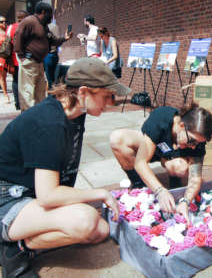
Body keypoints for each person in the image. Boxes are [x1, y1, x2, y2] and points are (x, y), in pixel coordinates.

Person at [0, 57, 131, 278]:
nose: (111, 102)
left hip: (29, 194)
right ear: (83, 92)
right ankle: (16, 248)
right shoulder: (49, 123)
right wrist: (99, 193)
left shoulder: (75, 114)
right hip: (7, 197)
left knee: (100, 231)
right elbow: (48, 196)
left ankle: (24, 236)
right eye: (107, 95)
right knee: (85, 220)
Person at [110, 104, 212, 222]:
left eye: (198, 143)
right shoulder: (161, 117)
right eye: (192, 141)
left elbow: (195, 178)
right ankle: (139, 183)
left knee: (179, 166)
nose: (194, 147)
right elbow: (140, 162)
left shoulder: (197, 141)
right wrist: (160, 191)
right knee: (117, 139)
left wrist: (185, 201)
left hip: (174, 156)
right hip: (155, 148)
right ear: (181, 125)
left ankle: (174, 179)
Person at [14, 1, 72, 111]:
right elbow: (18, 38)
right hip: (29, 62)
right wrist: (22, 57)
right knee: (28, 92)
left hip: (39, 62)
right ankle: (28, 117)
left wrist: (65, 38)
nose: (51, 17)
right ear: (43, 12)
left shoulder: (44, 26)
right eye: (50, 14)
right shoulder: (29, 22)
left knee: (40, 91)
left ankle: (39, 113)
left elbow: (52, 40)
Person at [6, 10, 29, 110]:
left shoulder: (11, 27)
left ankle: (17, 103)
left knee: (16, 81)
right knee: (27, 82)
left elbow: (7, 43)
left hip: (14, 59)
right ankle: (26, 102)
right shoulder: (28, 27)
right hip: (27, 58)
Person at [43, 22, 61, 89]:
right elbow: (58, 41)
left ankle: (51, 96)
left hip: (48, 54)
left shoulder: (43, 26)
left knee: (49, 79)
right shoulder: (55, 26)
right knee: (52, 79)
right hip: (54, 54)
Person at [0, 15, 10, 103]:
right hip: (1, 58)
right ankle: (5, 94)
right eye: (1, 22)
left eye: (5, 21)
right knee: (2, 77)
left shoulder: (7, 31)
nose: (4, 23)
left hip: (10, 57)